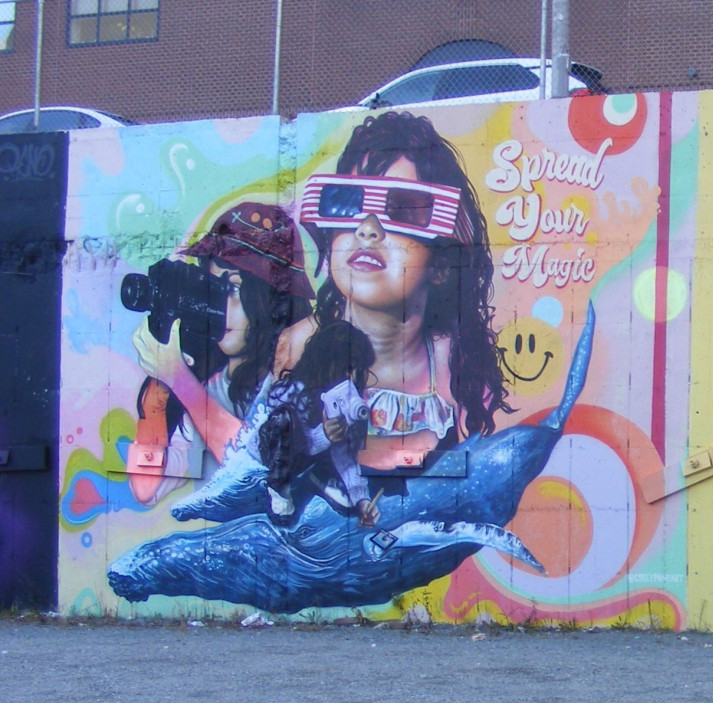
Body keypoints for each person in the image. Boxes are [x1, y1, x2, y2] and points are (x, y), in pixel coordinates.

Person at [276, 111, 511, 472]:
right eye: (347, 202)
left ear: (443, 265)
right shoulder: (297, 345)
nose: (367, 228)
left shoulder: (458, 362)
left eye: (402, 209)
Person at [128, 202, 314, 505]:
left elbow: (259, 470)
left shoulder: (300, 377)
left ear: (269, 300)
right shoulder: (211, 387)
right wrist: (157, 399)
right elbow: (147, 488)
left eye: (232, 288)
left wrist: (181, 382)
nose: (219, 304)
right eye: (213, 286)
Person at [259, 320, 380, 525]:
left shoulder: (349, 402)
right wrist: (324, 435)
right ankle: (278, 489)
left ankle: (321, 478)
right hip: (274, 456)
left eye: (358, 369)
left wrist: (362, 500)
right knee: (283, 419)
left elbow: (346, 456)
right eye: (349, 367)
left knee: (348, 495)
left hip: (309, 459)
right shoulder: (292, 391)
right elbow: (284, 439)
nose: (353, 376)